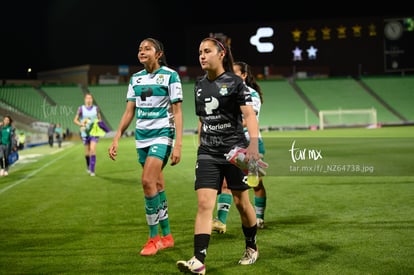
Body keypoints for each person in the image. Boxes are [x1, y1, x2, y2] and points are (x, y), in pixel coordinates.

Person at [176, 37, 261, 274]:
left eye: (207, 51)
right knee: (204, 204)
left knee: (242, 203)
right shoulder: (198, 85)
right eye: (199, 52)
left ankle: (251, 246)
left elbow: (250, 116)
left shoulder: (236, 83)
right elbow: (203, 119)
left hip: (235, 151)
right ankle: (198, 260)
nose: (202, 56)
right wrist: (201, 144)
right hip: (208, 153)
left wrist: (252, 146)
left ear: (221, 54)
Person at [108, 37, 183, 256]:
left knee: (147, 181)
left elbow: (177, 112)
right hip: (142, 138)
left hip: (162, 134)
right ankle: (167, 235)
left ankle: (153, 239)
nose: (142, 51)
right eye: (140, 48)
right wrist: (117, 136)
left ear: (158, 54)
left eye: (147, 48)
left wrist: (177, 145)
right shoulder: (135, 79)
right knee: (157, 185)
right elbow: (129, 111)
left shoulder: (170, 76)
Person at [212, 61, 267, 234]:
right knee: (226, 183)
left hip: (251, 143)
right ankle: (220, 221)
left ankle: (259, 217)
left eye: (235, 73)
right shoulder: (226, 93)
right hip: (231, 144)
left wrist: (227, 123)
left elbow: (250, 118)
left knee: (255, 183)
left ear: (243, 75)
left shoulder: (252, 94)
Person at [73, 93, 102, 176]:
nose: (89, 100)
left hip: (94, 132)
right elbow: (75, 120)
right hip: (85, 132)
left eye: (90, 98)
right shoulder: (81, 109)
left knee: (92, 149)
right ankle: (88, 166)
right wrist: (81, 124)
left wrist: (99, 124)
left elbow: (100, 119)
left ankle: (92, 170)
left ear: (92, 99)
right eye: (87, 98)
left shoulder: (96, 109)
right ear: (85, 99)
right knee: (87, 151)